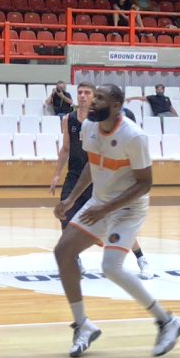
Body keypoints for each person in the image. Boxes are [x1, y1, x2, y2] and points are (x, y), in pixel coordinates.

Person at [53, 84, 180, 358]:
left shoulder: (133, 136)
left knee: (111, 267)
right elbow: (92, 165)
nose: (92, 102)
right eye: (94, 96)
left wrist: (106, 209)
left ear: (116, 106)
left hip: (128, 208)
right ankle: (83, 325)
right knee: (63, 251)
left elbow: (145, 183)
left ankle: (167, 321)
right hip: (99, 203)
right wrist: (72, 199)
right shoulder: (89, 126)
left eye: (100, 98)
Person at [50, 82, 154, 280]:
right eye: (80, 92)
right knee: (66, 217)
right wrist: (57, 174)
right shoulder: (71, 119)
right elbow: (66, 148)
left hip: (102, 175)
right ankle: (74, 259)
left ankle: (140, 257)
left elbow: (143, 179)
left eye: (88, 93)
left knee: (114, 223)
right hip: (77, 172)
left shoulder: (111, 124)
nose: (83, 96)